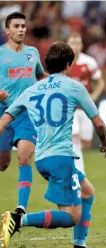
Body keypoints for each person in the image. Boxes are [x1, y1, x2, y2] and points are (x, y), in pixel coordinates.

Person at [0, 42, 106, 248]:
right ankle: (17, 220)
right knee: (71, 216)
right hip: (60, 157)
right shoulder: (74, 87)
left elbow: (4, 120)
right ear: (69, 65)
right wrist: (105, 143)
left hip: (41, 157)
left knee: (87, 191)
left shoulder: (31, 90)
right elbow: (98, 123)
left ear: (47, 65)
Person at [0, 12, 48, 215]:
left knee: (24, 157)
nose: (21, 29)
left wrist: (58, 80)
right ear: (7, 30)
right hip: (3, 114)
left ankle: (21, 208)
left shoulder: (32, 53)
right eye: (16, 26)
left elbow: (40, 75)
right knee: (3, 164)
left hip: (27, 115)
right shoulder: (0, 54)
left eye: (23, 26)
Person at [67, 33, 105, 174]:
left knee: (86, 142)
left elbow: (100, 82)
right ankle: (77, 171)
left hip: (85, 108)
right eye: (72, 42)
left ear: (82, 45)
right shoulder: (63, 62)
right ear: (68, 44)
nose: (75, 46)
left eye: (78, 43)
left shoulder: (89, 62)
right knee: (74, 136)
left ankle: (76, 162)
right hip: (70, 108)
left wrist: (93, 97)